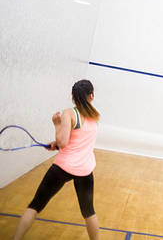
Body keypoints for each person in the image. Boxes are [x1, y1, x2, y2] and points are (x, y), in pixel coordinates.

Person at [12, 80, 100, 240]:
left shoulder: (69, 113)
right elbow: (77, 140)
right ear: (91, 96)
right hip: (85, 170)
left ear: (73, 97)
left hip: (63, 168)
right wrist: (57, 144)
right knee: (89, 212)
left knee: (35, 205)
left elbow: (63, 142)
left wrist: (57, 124)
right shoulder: (95, 115)